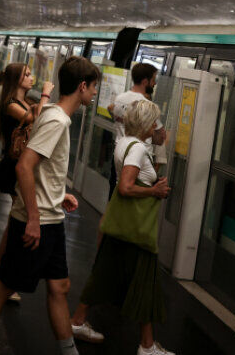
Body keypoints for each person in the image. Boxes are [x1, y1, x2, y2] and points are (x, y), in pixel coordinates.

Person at [0, 56, 101, 355]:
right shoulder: (56, 120)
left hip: (51, 217)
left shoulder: (53, 114)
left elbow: (42, 167)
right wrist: (34, 218)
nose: (94, 93)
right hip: (37, 220)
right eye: (93, 87)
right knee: (4, 285)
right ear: (82, 87)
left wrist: (57, 194)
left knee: (59, 287)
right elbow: (25, 166)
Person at [70, 99, 173, 354]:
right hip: (136, 231)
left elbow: (134, 177)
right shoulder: (137, 148)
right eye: (154, 122)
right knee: (144, 284)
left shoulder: (124, 143)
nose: (156, 126)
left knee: (102, 274)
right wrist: (155, 191)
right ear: (146, 123)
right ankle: (147, 347)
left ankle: (77, 321)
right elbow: (126, 187)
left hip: (118, 227)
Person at [0, 62, 53, 300]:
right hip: (13, 167)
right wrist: (45, 95)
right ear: (16, 79)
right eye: (26, 75)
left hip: (20, 166)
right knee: (18, 220)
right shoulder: (10, 105)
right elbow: (36, 123)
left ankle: (1, 272)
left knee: (15, 220)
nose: (31, 78)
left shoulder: (25, 103)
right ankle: (3, 275)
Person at [109, 63, 165, 194]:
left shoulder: (119, 99)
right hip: (139, 160)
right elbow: (161, 137)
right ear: (145, 81)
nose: (155, 84)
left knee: (115, 190)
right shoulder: (146, 106)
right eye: (153, 80)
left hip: (120, 151)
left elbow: (111, 110)